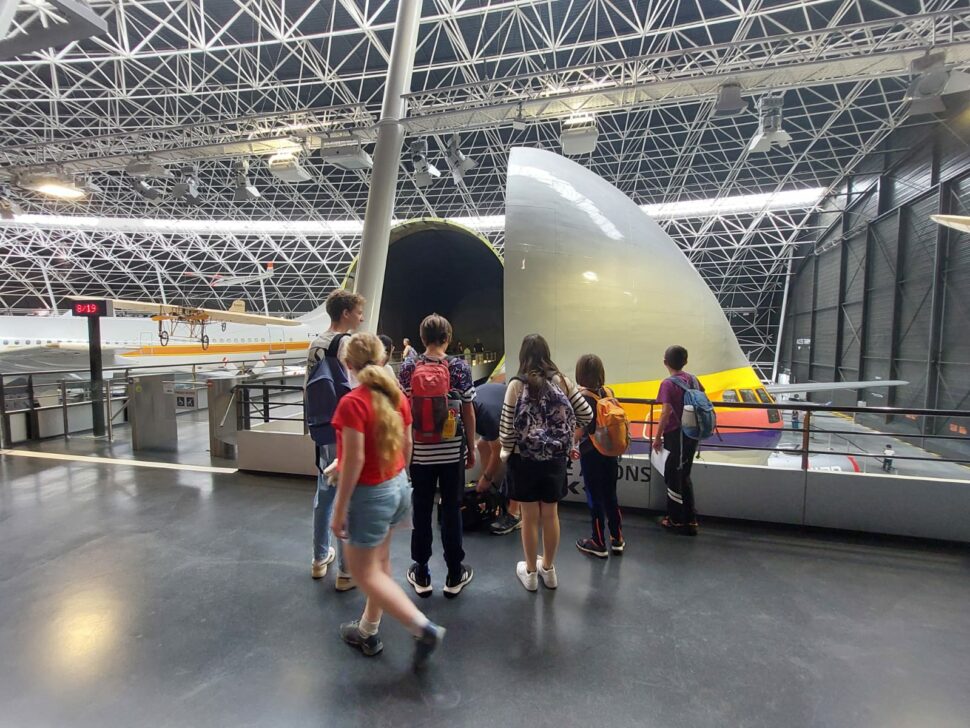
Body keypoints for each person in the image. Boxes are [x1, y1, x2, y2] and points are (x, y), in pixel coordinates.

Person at [329, 333, 445, 669]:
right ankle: (368, 630)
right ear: (382, 360)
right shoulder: (396, 397)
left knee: (364, 574)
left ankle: (422, 628)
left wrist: (339, 509)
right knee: (380, 565)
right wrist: (395, 477)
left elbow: (355, 459)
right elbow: (403, 446)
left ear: (347, 365)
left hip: (370, 495)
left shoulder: (352, 403)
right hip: (397, 486)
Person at [500, 334, 592, 592]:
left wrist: (507, 453)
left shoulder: (516, 385)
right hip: (555, 458)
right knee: (551, 514)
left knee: (529, 517)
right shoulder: (562, 382)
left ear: (522, 355)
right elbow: (586, 413)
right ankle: (548, 570)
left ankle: (530, 573)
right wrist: (568, 440)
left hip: (523, 459)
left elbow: (507, 430)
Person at [398, 314, 476, 598]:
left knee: (421, 509)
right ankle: (455, 573)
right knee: (452, 508)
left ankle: (421, 572)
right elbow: (468, 410)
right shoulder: (459, 367)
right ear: (448, 338)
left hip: (419, 451)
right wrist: (471, 446)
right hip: (451, 448)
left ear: (422, 338)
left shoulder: (408, 367)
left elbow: (403, 412)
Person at [307, 289, 364, 589]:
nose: (361, 317)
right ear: (345, 313)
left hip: (321, 428)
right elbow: (355, 389)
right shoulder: (347, 344)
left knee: (324, 493)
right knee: (348, 496)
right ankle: (345, 571)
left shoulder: (315, 343)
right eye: (357, 312)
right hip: (345, 430)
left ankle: (319, 559)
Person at [574, 354, 623, 558]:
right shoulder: (608, 392)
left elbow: (580, 430)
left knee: (594, 497)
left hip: (591, 453)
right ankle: (617, 538)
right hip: (611, 451)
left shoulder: (583, 398)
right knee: (611, 495)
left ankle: (598, 541)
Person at [652, 345, 702, 536]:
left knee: (673, 476)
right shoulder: (693, 379)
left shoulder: (668, 384)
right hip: (692, 434)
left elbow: (665, 413)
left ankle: (675, 520)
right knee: (685, 475)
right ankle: (690, 518)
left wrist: (657, 438)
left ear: (665, 362)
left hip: (675, 435)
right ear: (686, 361)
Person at [473, 381, 521, 535]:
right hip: (500, 409)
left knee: (514, 458)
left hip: (517, 417)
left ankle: (515, 514)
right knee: (481, 445)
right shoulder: (469, 405)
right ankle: (491, 489)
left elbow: (498, 450)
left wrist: (486, 478)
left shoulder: (486, 415)